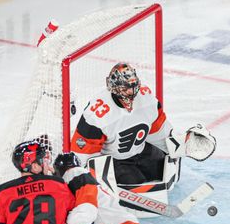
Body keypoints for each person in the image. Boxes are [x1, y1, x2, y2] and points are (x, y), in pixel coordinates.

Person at [71, 62, 216, 186]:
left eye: (133, 86)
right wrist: (96, 180)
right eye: (125, 88)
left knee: (161, 172)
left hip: (141, 151)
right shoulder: (97, 113)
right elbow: (83, 153)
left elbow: (159, 131)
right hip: (115, 161)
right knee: (138, 184)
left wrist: (181, 144)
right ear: (114, 88)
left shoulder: (146, 99)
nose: (131, 91)